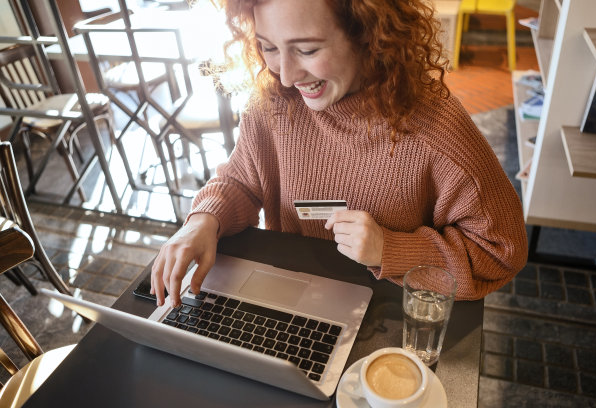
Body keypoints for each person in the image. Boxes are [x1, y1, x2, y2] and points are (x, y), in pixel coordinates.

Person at [151, 0, 528, 308]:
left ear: (369, 34)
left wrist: (391, 249)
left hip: (391, 316)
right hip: (290, 297)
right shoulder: (274, 102)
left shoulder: (436, 132)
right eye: (268, 47)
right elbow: (243, 179)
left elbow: (500, 252)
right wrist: (203, 220)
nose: (285, 75)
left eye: (308, 49)